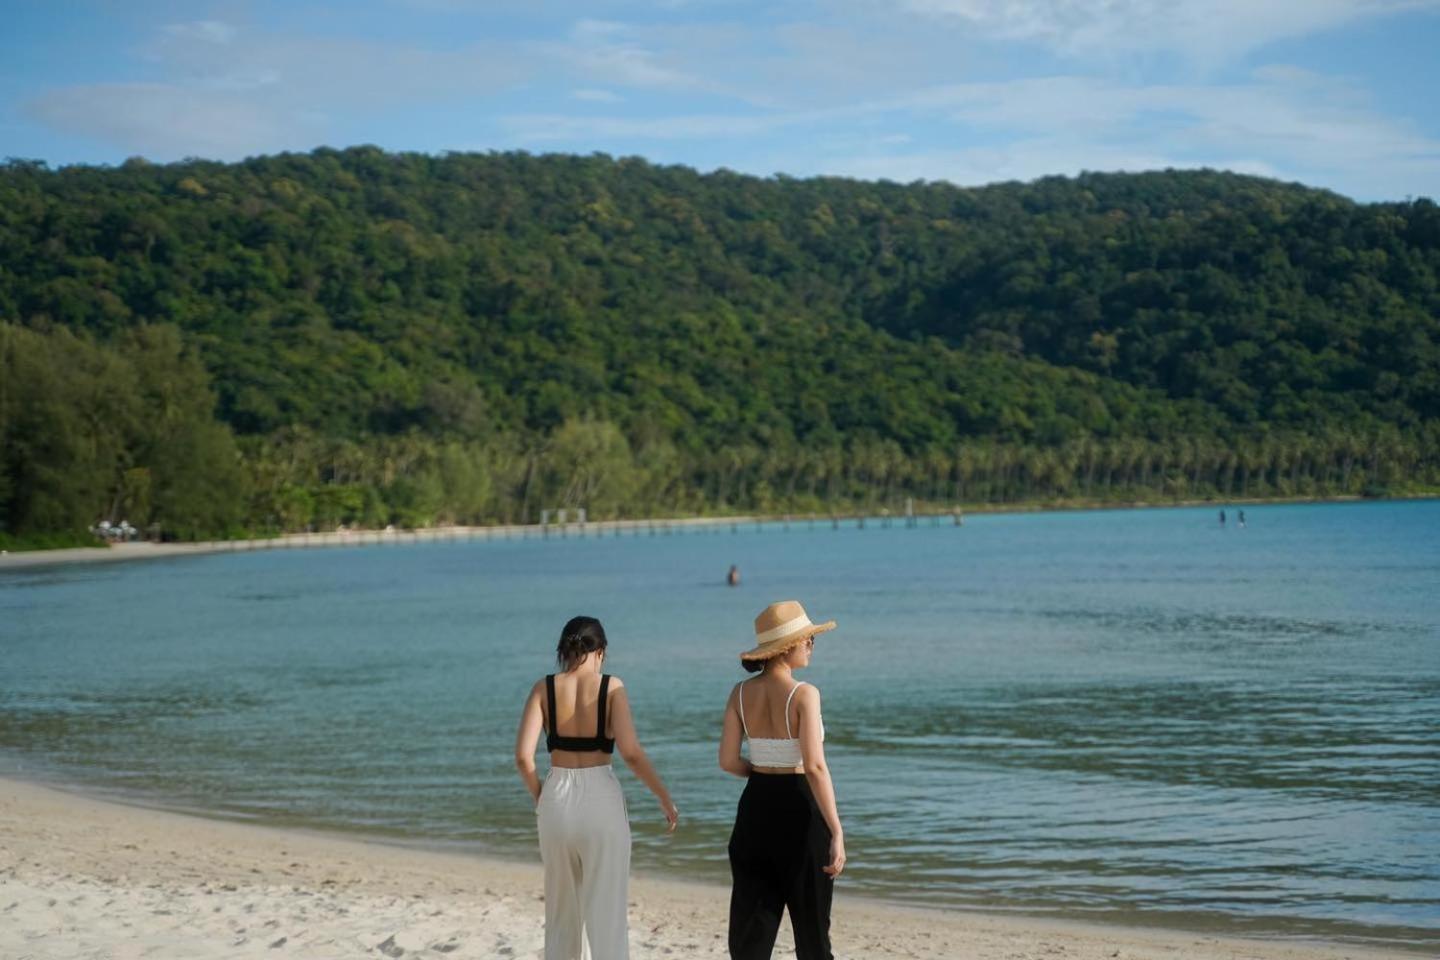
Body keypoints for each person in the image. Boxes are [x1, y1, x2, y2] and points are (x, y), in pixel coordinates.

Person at [515, 616, 679, 960]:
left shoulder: (543, 688)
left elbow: (523, 758)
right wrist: (664, 797)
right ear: (600, 651)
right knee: (607, 915)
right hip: (600, 798)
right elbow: (631, 753)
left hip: (556, 797)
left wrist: (540, 796)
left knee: (560, 913)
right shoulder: (611, 687)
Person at [719, 600, 845, 960]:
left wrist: (761, 772)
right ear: (789, 646)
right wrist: (836, 831)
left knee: (751, 939)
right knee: (813, 939)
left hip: (755, 811)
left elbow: (728, 761)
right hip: (801, 813)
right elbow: (816, 767)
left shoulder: (739, 693)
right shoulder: (804, 694)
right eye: (808, 640)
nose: (811, 646)